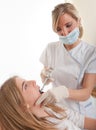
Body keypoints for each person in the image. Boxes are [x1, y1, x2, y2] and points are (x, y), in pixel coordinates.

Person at [37, 2, 96, 119]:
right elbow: (44, 73)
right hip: (59, 109)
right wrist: (44, 75)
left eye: (68, 25)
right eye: (59, 29)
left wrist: (64, 92)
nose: (64, 32)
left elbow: (86, 92)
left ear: (78, 21)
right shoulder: (51, 48)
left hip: (82, 112)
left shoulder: (91, 53)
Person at [0, 76, 96, 130]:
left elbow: (81, 121)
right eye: (25, 86)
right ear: (21, 107)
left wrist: (67, 92)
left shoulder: (51, 107)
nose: (33, 81)